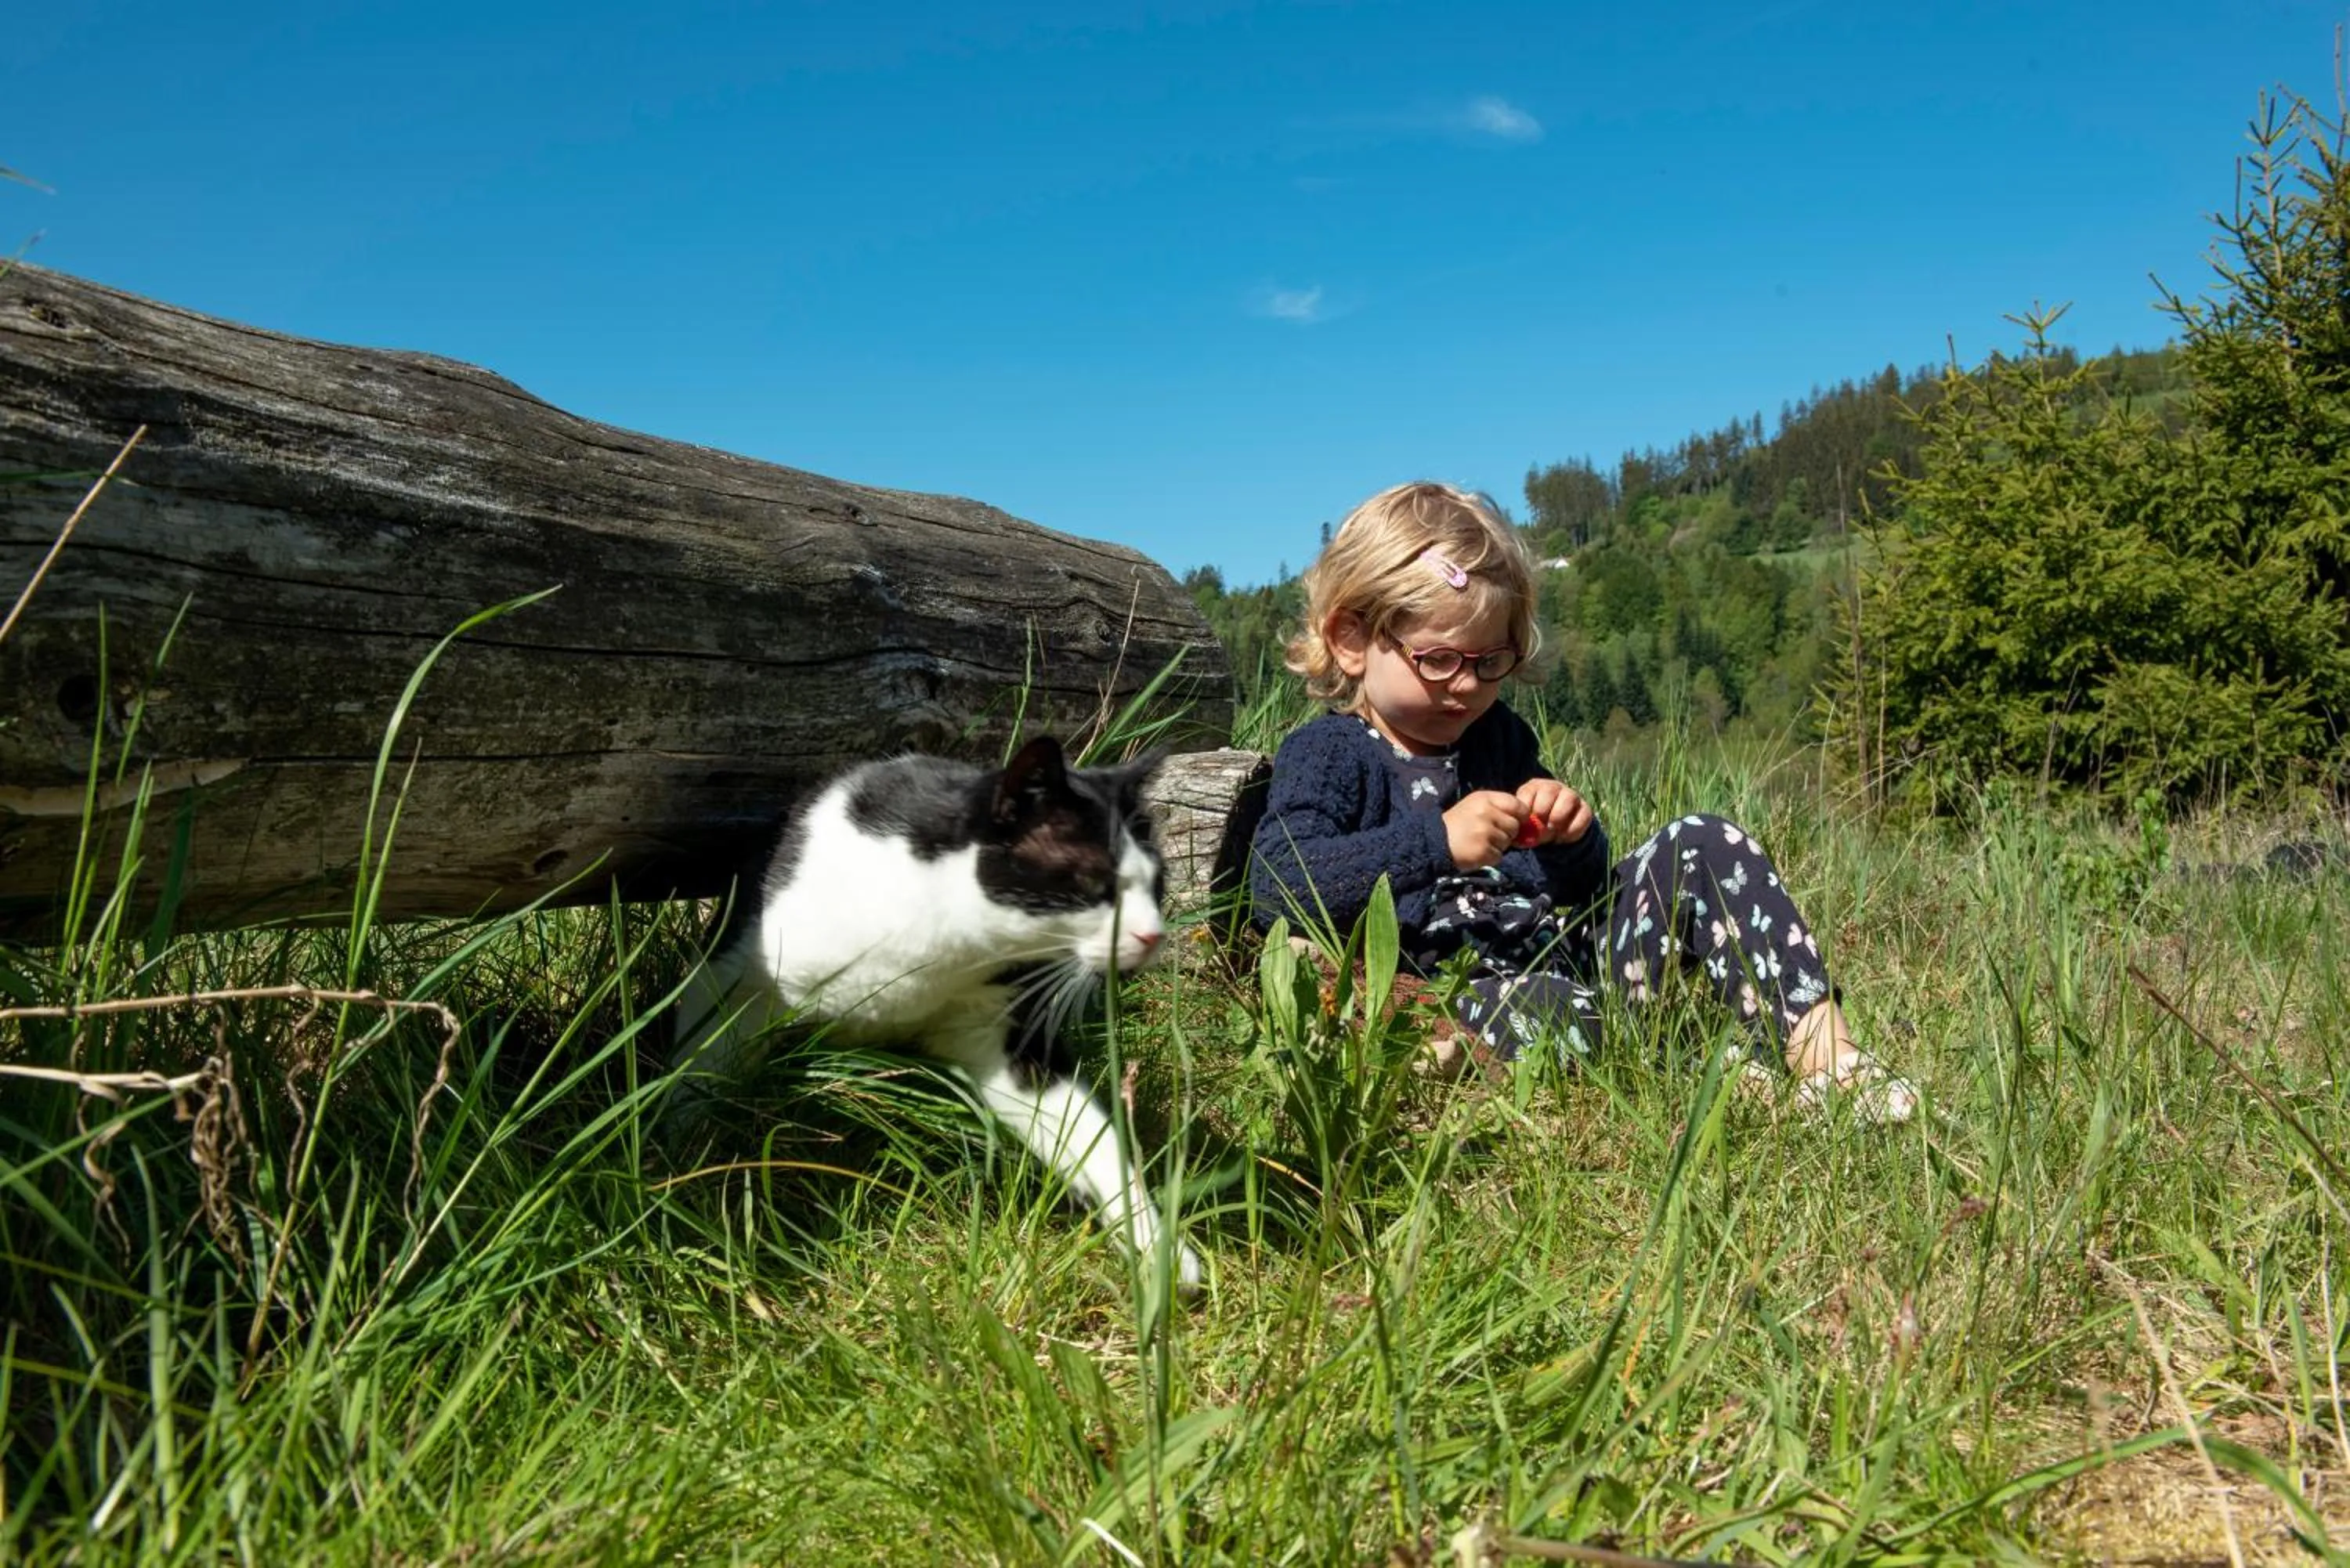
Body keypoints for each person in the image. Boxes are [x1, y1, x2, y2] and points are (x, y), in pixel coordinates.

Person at [1247, 481, 1916, 1122]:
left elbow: (1574, 891)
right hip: (1448, 991)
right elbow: (1278, 882)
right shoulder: (1331, 752)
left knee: (1706, 844)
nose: (1468, 686)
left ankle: (1834, 1063)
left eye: (1491, 663)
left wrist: (1571, 838)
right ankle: (1715, 1079)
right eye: (1440, 660)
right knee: (1532, 1008)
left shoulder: (1498, 738)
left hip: (1566, 958)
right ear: (1353, 640)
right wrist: (1437, 843)